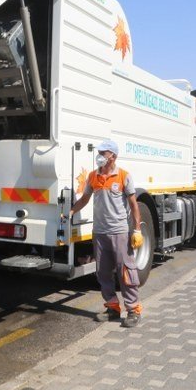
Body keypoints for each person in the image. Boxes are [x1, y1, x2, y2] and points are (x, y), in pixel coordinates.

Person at [70, 139, 143, 328]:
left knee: (125, 272)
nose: (100, 156)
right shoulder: (93, 176)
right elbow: (85, 198)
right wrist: (71, 211)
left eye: (104, 153)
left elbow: (134, 205)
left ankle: (133, 310)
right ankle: (112, 307)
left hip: (119, 232)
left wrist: (137, 230)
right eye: (99, 152)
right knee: (103, 272)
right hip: (100, 232)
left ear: (113, 156)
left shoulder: (124, 176)